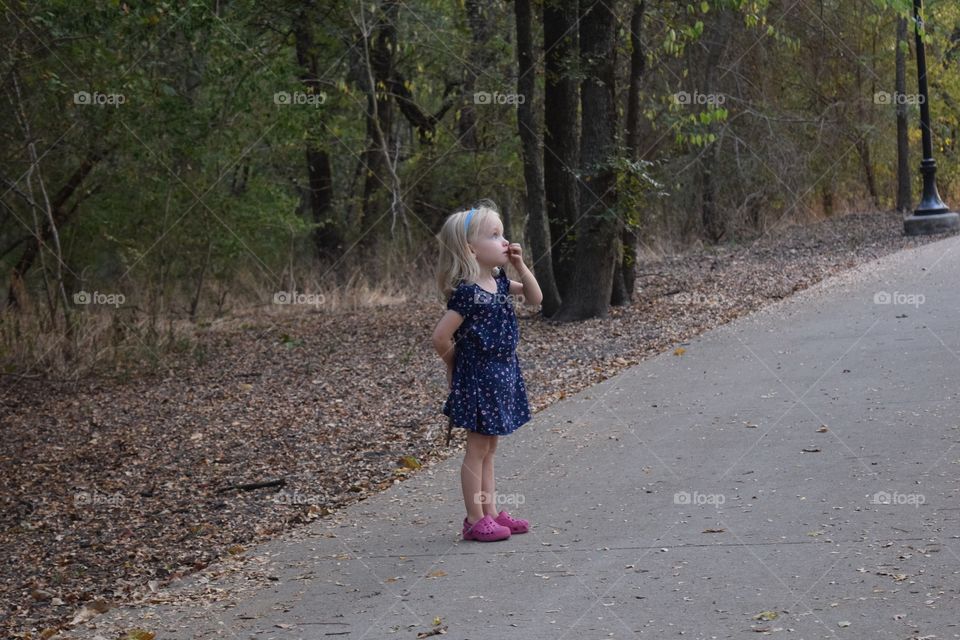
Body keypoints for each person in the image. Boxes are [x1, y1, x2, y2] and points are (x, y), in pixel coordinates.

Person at [432, 200, 543, 542]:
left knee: (491, 448)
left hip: (503, 375)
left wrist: (520, 265)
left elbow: (536, 298)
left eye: (503, 233)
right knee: (477, 450)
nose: (504, 241)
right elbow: (439, 337)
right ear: (471, 249)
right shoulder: (468, 294)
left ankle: (491, 512)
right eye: (495, 235)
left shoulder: (498, 281)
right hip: (479, 379)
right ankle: (473, 518)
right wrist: (455, 368)